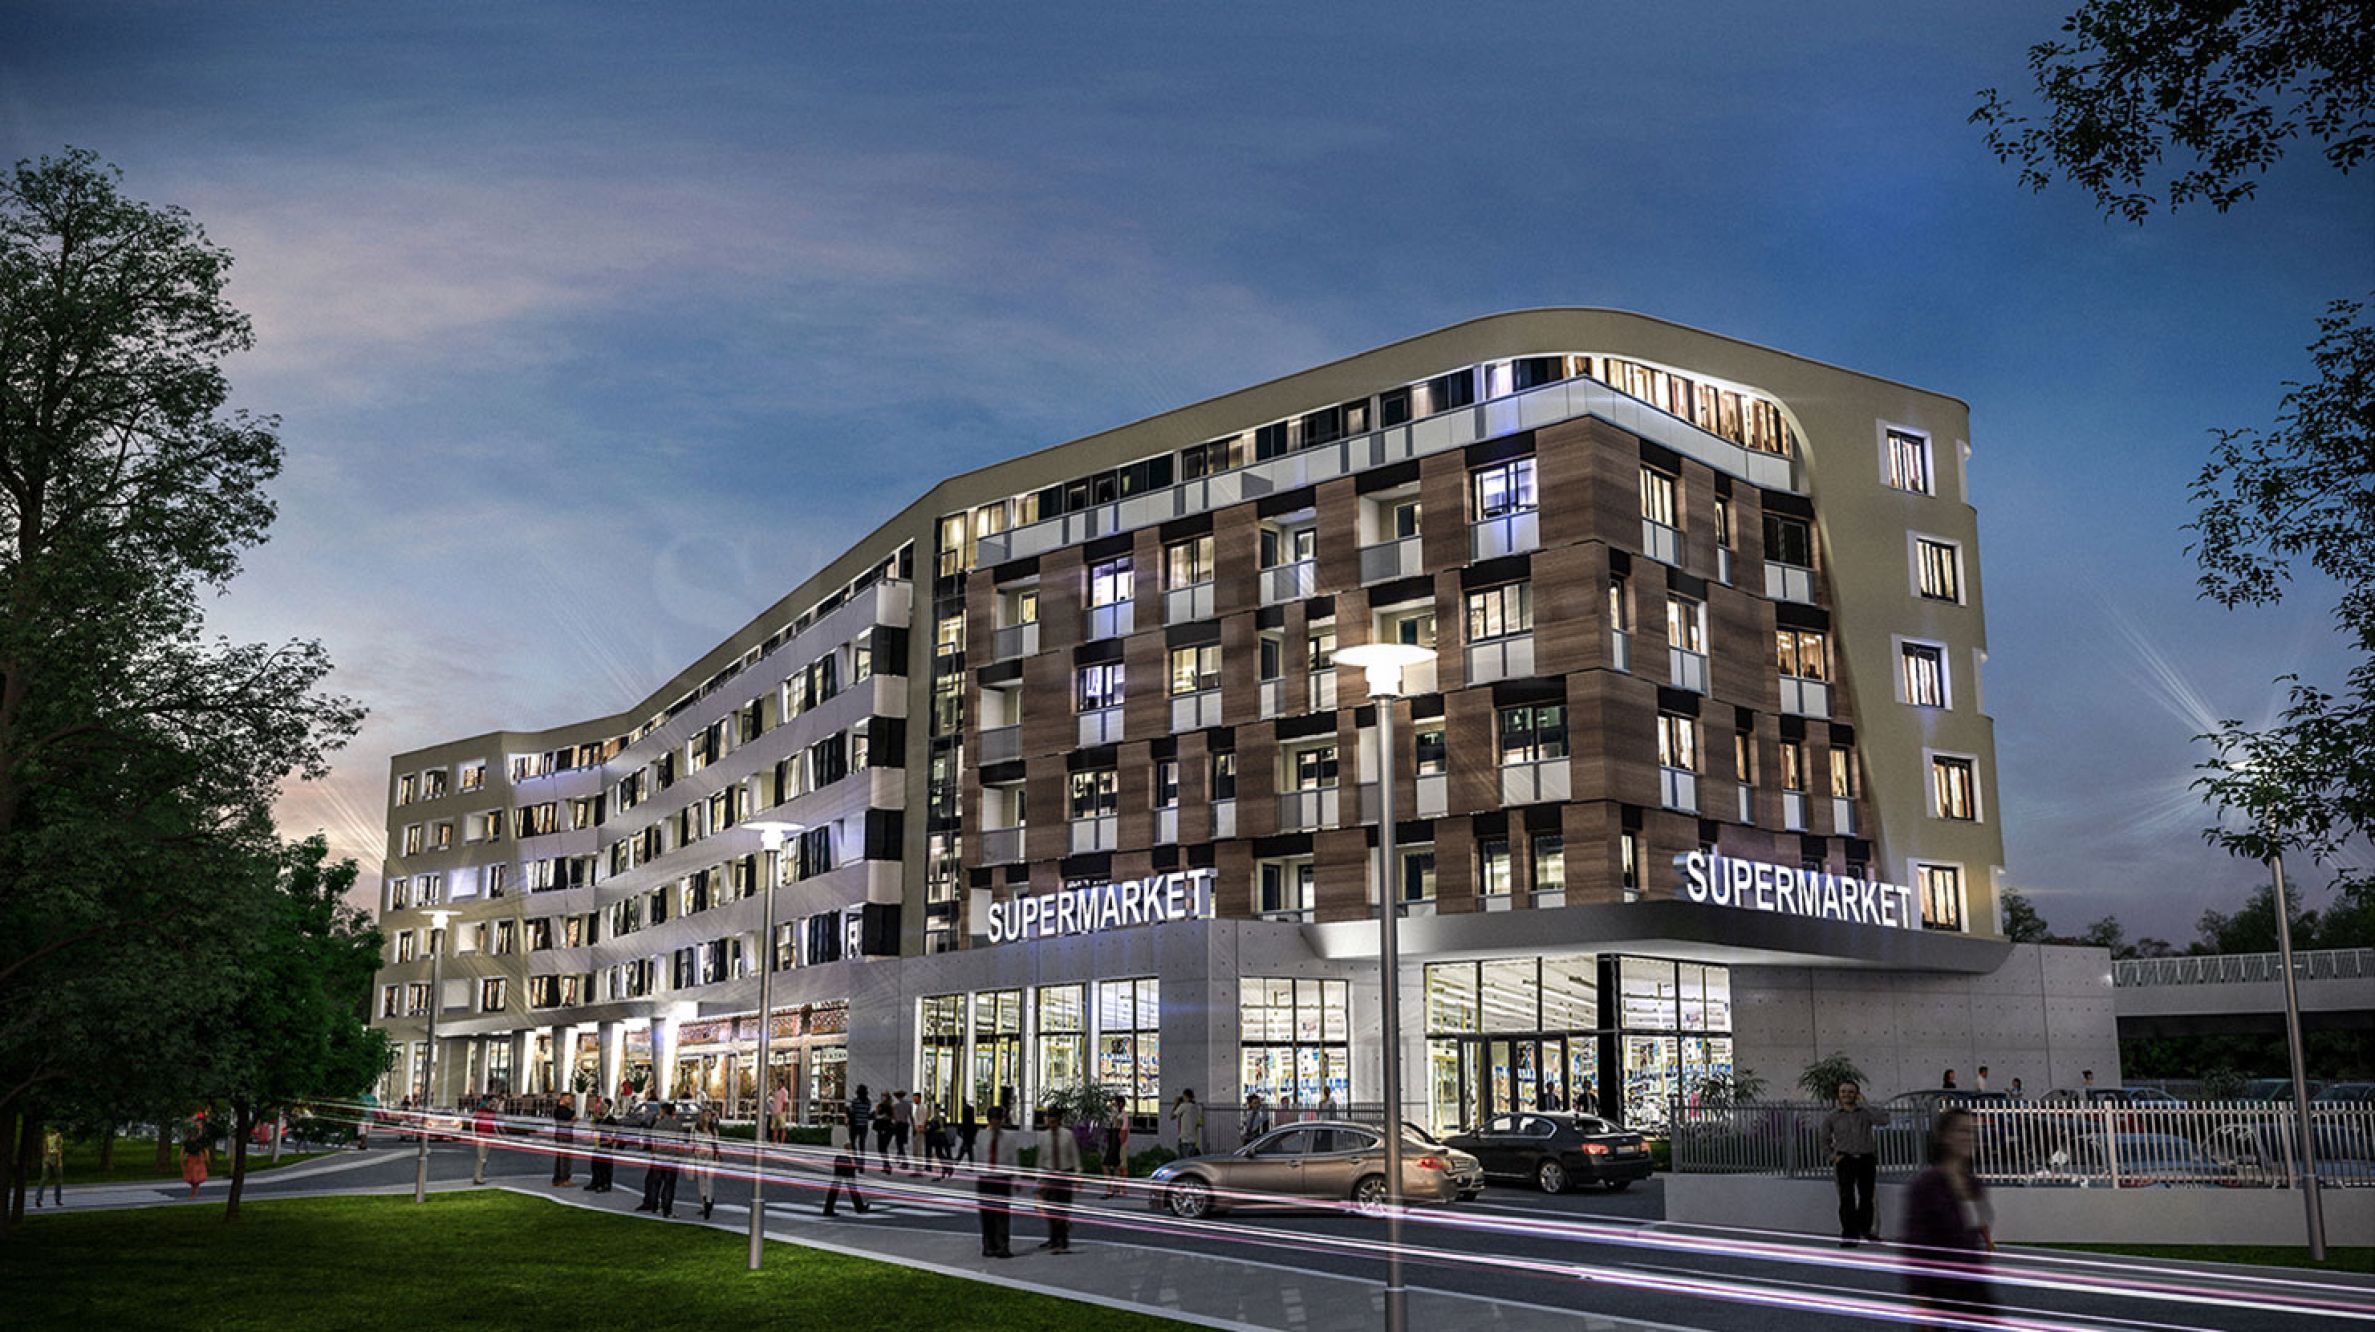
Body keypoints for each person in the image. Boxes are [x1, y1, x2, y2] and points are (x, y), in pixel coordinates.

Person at [1902, 1108, 1997, 1324]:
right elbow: (1915, 1244)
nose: (1969, 1138)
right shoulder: (1927, 1185)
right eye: (1962, 1131)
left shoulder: (1973, 1184)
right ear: (1945, 1137)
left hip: (1974, 1289)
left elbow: (1977, 1224)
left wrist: (1986, 1242)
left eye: (1972, 1132)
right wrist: (1921, 1301)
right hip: (1941, 1290)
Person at [1822, 1081, 1889, 1247]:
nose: (1846, 1095)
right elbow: (1824, 1139)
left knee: (1867, 1197)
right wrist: (1832, 1156)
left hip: (1865, 1159)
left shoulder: (1865, 1113)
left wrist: (1865, 1104)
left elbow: (1884, 1119)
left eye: (1851, 1092)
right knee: (1847, 1199)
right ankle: (1849, 1236)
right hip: (1845, 1160)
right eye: (1843, 1091)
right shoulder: (1832, 1116)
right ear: (1839, 1094)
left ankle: (1865, 1229)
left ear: (1857, 1094)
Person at [1034, 1104, 1082, 1254]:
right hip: (1049, 1175)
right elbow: (1041, 1158)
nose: (1051, 1123)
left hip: (1065, 1174)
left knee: (1063, 1209)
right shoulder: (1043, 1136)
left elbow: (1075, 1156)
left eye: (1054, 1120)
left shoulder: (1068, 1135)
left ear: (1059, 1120)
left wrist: (1078, 1175)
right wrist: (1039, 1179)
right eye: (1049, 1120)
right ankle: (1054, 1239)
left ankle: (1062, 1242)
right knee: (1050, 1209)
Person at [978, 1105, 1015, 1259]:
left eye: (998, 1121)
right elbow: (979, 1156)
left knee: (1002, 1214)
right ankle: (988, 1245)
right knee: (987, 1214)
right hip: (986, 1177)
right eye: (993, 1121)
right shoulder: (981, 1136)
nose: (996, 1124)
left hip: (1002, 1178)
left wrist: (1016, 1177)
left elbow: (1013, 1158)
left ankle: (1002, 1246)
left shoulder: (1009, 1138)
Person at [822, 1114, 870, 1216]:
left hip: (838, 1158)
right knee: (851, 1185)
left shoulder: (834, 1129)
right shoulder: (843, 1129)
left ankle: (828, 1208)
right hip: (846, 1159)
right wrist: (853, 1159)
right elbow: (847, 1145)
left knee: (835, 1185)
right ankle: (859, 1207)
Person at [641, 1103, 682, 1218]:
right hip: (672, 1158)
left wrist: (653, 1155)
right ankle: (667, 1209)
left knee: (656, 1183)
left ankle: (654, 1205)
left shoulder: (657, 1125)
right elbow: (679, 1143)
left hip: (659, 1158)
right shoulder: (677, 1125)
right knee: (669, 1185)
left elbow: (654, 1143)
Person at [691, 1106, 722, 1220]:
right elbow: (692, 1142)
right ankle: (704, 1201)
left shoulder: (713, 1130)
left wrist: (717, 1155)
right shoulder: (695, 1127)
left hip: (710, 1156)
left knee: (709, 1180)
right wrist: (694, 1152)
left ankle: (708, 1202)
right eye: (706, 1115)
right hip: (699, 1156)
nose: (708, 1117)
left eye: (710, 1115)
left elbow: (716, 1143)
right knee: (701, 1181)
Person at [1101, 1094, 1131, 1198]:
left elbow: (1122, 1129)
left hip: (1117, 1141)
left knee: (1107, 1164)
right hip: (1113, 1140)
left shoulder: (1122, 1115)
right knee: (1116, 1165)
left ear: (1120, 1104)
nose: (1112, 1105)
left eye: (1115, 1103)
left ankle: (1111, 1189)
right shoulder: (1117, 1114)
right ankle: (1116, 1188)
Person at [588, 1096, 617, 1193]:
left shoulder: (611, 1120)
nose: (601, 1107)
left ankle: (605, 1184)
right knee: (595, 1165)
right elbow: (593, 1128)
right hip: (598, 1144)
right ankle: (595, 1182)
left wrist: (612, 1139)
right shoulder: (598, 1118)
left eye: (604, 1105)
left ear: (608, 1107)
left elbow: (615, 1133)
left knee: (605, 1166)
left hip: (606, 1145)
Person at [180, 1120, 210, 1201]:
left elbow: (205, 1150)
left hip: (197, 1159)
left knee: (195, 1178)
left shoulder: (200, 1140)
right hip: (192, 1159)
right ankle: (193, 1192)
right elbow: (182, 1151)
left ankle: (193, 1193)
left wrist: (207, 1159)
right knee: (193, 1178)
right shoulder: (188, 1142)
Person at [550, 1094, 576, 1186]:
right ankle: (564, 1179)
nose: (570, 1100)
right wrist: (573, 1119)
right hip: (564, 1135)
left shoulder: (560, 1109)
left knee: (560, 1157)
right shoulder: (562, 1110)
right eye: (568, 1098)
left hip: (561, 1134)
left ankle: (558, 1178)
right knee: (565, 1158)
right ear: (562, 1099)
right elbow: (571, 1119)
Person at [1170, 1088, 1204, 1157]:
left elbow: (1171, 1117)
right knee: (1190, 1160)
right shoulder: (1195, 1107)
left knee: (1183, 1161)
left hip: (1185, 1139)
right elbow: (1198, 1122)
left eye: (1183, 1096)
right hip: (1193, 1140)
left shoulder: (1183, 1106)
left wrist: (1175, 1105)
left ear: (1185, 1096)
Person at [472, 1098, 498, 1185]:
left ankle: (479, 1176)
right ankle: (478, 1177)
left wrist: (497, 1134)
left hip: (489, 1136)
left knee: (484, 1158)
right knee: (482, 1157)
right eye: (493, 1102)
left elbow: (494, 1124)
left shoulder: (492, 1112)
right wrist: (474, 1135)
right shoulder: (481, 1111)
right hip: (482, 1136)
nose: (494, 1104)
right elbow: (473, 1123)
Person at [846, 1084, 872, 1173]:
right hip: (864, 1125)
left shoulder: (855, 1102)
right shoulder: (868, 1102)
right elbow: (867, 1113)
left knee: (853, 1143)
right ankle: (862, 1164)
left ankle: (856, 1161)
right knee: (862, 1145)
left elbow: (852, 1112)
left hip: (855, 1125)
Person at [37, 1126, 64, 1206]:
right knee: (58, 1179)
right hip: (55, 1156)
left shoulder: (46, 1136)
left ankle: (38, 1198)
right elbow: (59, 1148)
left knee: (44, 1178)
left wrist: (46, 1157)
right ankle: (57, 1199)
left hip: (46, 1157)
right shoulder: (58, 1136)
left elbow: (44, 1148)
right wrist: (58, 1160)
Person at [871, 1092, 896, 1172]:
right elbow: (875, 1115)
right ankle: (886, 1165)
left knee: (883, 1147)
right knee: (881, 1148)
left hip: (885, 1129)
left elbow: (888, 1116)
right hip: (881, 1128)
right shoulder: (881, 1105)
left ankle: (887, 1165)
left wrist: (879, 1116)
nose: (882, 1098)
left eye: (884, 1096)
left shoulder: (888, 1106)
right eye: (882, 1096)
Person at [891, 1090, 915, 1173]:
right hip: (905, 1125)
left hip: (898, 1125)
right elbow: (911, 1116)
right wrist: (913, 1126)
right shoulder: (908, 1105)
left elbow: (893, 1117)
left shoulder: (895, 1105)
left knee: (899, 1143)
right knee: (901, 1142)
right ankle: (899, 1156)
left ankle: (904, 1161)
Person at [957, 1101, 980, 1165]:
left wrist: (960, 1130)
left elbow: (962, 1122)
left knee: (966, 1147)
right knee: (968, 1148)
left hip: (967, 1130)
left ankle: (957, 1161)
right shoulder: (971, 1108)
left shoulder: (963, 1109)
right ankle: (969, 1163)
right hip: (971, 1130)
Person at [770, 1080, 791, 1145]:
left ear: (782, 1083)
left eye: (779, 1083)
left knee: (782, 1127)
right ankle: (774, 1141)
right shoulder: (777, 1091)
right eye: (777, 1083)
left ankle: (781, 1142)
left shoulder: (784, 1091)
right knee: (774, 1127)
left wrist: (782, 1110)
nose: (777, 1084)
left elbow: (785, 1102)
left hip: (780, 1112)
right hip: (775, 1111)